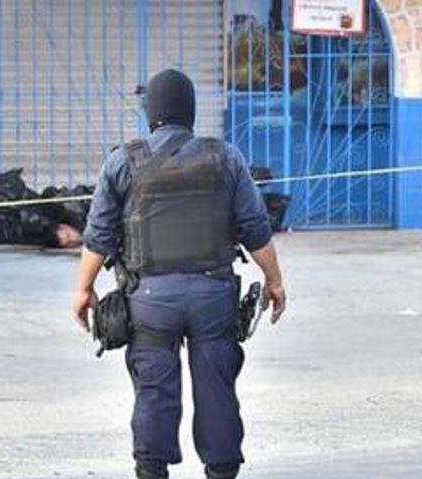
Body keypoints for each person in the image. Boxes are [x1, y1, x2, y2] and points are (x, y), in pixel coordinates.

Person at [72, 69, 287, 479]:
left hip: (149, 299)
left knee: (154, 391)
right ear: (189, 112)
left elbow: (98, 235)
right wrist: (274, 280)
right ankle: (221, 471)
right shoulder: (225, 157)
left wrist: (83, 289)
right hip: (212, 295)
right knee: (217, 389)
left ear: (150, 111)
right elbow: (256, 228)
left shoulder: (122, 161)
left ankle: (152, 471)